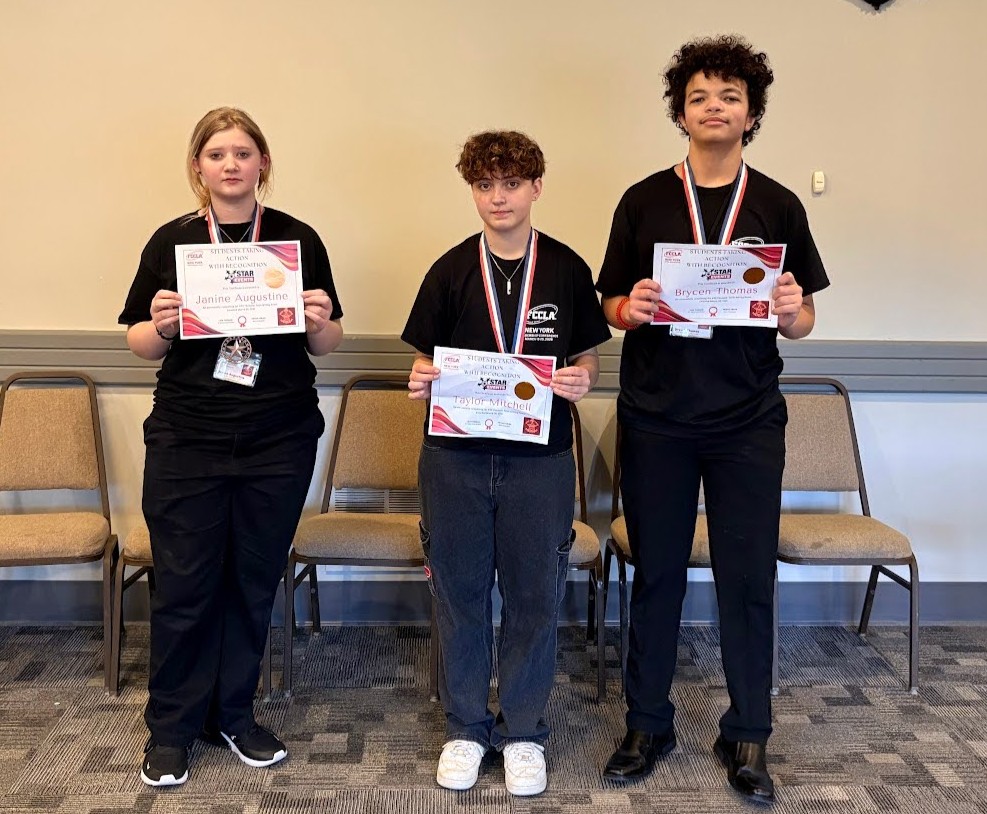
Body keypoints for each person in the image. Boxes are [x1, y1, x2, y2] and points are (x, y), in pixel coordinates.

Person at [596, 36, 829, 804]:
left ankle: (748, 731)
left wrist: (795, 313)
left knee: (746, 578)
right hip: (658, 416)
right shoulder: (642, 199)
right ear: (681, 112)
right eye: (699, 96)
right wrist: (630, 307)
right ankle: (647, 721)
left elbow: (799, 318)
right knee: (656, 572)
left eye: (728, 95)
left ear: (751, 112)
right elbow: (611, 305)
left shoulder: (777, 203)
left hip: (747, 419)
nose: (713, 107)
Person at [119, 107, 344, 787]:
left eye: (243, 152)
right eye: (217, 154)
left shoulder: (296, 239)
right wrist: (160, 324)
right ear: (198, 168)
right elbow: (137, 340)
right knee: (185, 585)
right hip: (189, 436)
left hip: (277, 435)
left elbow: (325, 342)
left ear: (263, 164)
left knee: (251, 583)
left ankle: (233, 714)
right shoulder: (173, 241)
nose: (231, 165)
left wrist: (319, 319)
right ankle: (172, 727)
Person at [402, 131, 611, 797]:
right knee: (460, 596)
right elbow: (422, 362)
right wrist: (419, 378)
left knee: (532, 597)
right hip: (455, 460)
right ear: (472, 190)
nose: (498, 197)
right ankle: (465, 727)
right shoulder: (448, 269)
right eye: (485, 185)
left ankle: (522, 731)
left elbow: (587, 359)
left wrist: (581, 379)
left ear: (535, 188)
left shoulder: (567, 269)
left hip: (539, 462)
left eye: (511, 183)